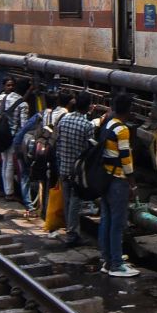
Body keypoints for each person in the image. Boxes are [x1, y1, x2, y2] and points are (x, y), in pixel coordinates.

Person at [97, 94, 139, 277]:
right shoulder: (122, 130)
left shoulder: (107, 124)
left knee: (106, 219)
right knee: (117, 223)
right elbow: (125, 159)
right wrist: (133, 184)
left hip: (105, 178)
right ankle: (116, 264)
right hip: (118, 180)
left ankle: (107, 260)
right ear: (128, 110)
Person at [53, 90, 93, 246]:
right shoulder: (87, 125)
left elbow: (58, 141)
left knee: (67, 200)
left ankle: (71, 230)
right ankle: (72, 234)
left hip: (64, 166)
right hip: (77, 171)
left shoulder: (64, 120)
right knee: (75, 202)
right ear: (89, 106)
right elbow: (89, 149)